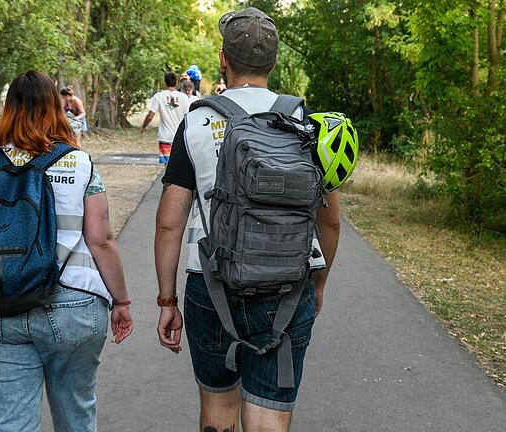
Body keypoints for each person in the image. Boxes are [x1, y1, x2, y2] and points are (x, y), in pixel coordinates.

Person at [154, 8, 341, 431]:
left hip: (210, 281)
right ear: (273, 62)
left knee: (219, 408)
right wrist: (320, 282)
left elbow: (170, 221)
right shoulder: (304, 123)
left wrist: (167, 300)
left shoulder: (196, 121)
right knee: (269, 414)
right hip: (289, 284)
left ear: (223, 59)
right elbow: (329, 221)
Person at [0, 70, 133, 432]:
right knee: (76, 414)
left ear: (9, 111)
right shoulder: (80, 163)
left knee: (10, 421)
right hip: (71, 308)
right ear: (56, 108)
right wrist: (121, 301)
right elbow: (101, 240)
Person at [140, 72, 190, 164]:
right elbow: (189, 116)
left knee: (167, 165)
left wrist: (144, 127)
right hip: (180, 136)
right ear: (176, 82)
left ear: (165, 82)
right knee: (180, 163)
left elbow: (150, 115)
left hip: (165, 136)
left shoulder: (158, 96)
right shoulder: (184, 97)